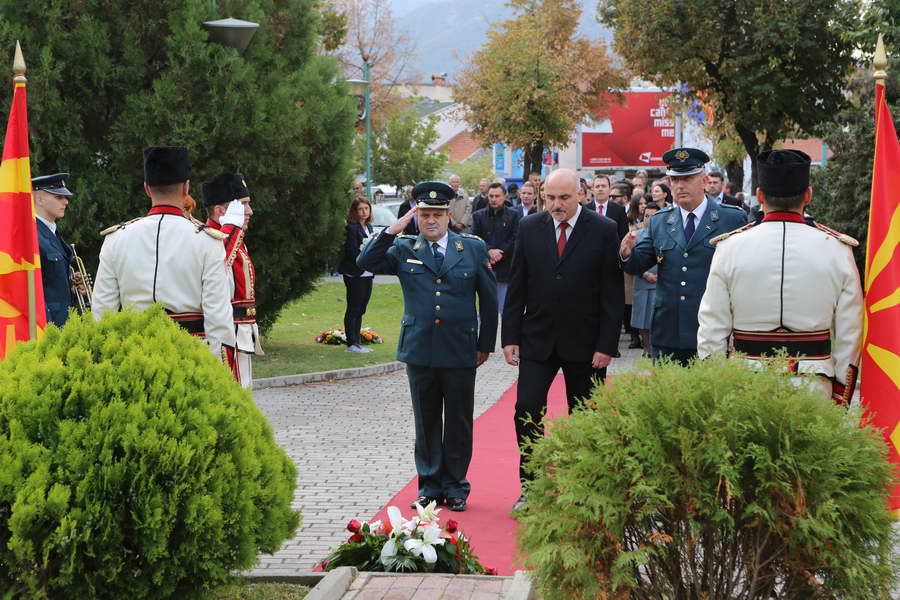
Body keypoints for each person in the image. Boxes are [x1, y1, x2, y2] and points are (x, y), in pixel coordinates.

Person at [357, 181, 498, 512]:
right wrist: (391, 230)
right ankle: (430, 486)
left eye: (437, 214)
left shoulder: (472, 248)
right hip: (420, 348)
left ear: (448, 216)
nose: (431, 220)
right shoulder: (404, 247)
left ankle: (456, 486)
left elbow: (490, 301)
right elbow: (366, 261)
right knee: (426, 420)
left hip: (460, 347)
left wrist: (485, 344)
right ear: (416, 216)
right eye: (424, 215)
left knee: (459, 422)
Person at [697, 150, 863, 404]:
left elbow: (712, 329)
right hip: (814, 385)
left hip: (744, 383)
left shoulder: (729, 247)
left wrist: (718, 392)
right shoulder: (837, 249)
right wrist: (840, 395)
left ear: (759, 195)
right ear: (808, 195)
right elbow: (849, 333)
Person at [502, 168, 623, 511]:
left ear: (581, 195)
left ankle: (583, 486)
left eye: (564, 198)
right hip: (537, 338)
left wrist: (606, 344)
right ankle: (532, 487)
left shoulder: (604, 229)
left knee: (585, 415)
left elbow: (612, 294)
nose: (556, 205)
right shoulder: (529, 227)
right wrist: (509, 336)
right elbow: (517, 285)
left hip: (586, 343)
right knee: (526, 409)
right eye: (550, 198)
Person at [92, 147, 236, 364]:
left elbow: (103, 313)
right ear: (186, 188)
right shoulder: (208, 242)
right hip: (191, 356)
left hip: (132, 356)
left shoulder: (116, 239)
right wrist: (217, 368)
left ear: (147, 189)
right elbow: (218, 318)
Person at [619, 147, 748, 366]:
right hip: (669, 331)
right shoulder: (660, 221)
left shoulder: (730, 219)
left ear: (704, 180)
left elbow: (743, 277)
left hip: (714, 331)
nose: (680, 185)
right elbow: (639, 263)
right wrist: (626, 253)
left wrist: (738, 328)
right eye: (674, 179)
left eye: (687, 178)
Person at [202, 172, 261, 388]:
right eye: (243, 204)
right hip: (223, 334)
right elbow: (215, 268)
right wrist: (231, 231)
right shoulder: (209, 239)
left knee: (243, 389)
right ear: (221, 211)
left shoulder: (234, 238)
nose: (250, 211)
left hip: (240, 332)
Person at [32, 173, 76, 327]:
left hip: (63, 323)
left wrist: (71, 284)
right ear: (39, 199)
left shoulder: (50, 232)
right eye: (58, 197)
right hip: (48, 325)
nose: (66, 201)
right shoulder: (31, 235)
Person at [472, 182, 520, 313]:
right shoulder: (478, 215)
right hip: (484, 265)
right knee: (486, 307)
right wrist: (489, 250)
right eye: (491, 196)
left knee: (504, 307)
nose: (494, 199)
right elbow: (475, 237)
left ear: (504, 196)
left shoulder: (514, 215)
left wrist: (500, 252)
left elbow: (515, 237)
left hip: (506, 265)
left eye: (497, 196)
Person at [338, 198, 376, 353]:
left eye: (366, 208)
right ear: (354, 211)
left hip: (367, 272)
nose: (364, 212)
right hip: (354, 272)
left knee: (361, 308)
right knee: (354, 307)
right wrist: (366, 253)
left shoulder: (369, 226)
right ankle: (352, 343)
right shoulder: (351, 228)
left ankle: (357, 341)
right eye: (360, 209)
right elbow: (351, 251)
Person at [631, 201, 661, 355]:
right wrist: (644, 273)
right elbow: (631, 260)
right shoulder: (636, 235)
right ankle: (646, 348)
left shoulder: (666, 233)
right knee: (641, 318)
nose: (649, 219)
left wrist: (659, 275)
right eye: (646, 216)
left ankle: (657, 348)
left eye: (652, 216)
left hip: (660, 281)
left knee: (656, 318)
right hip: (642, 280)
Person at [590, 175, 628, 241]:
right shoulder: (585, 209)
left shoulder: (619, 210)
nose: (600, 189)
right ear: (592, 190)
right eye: (597, 186)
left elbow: (623, 236)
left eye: (603, 186)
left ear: (610, 189)